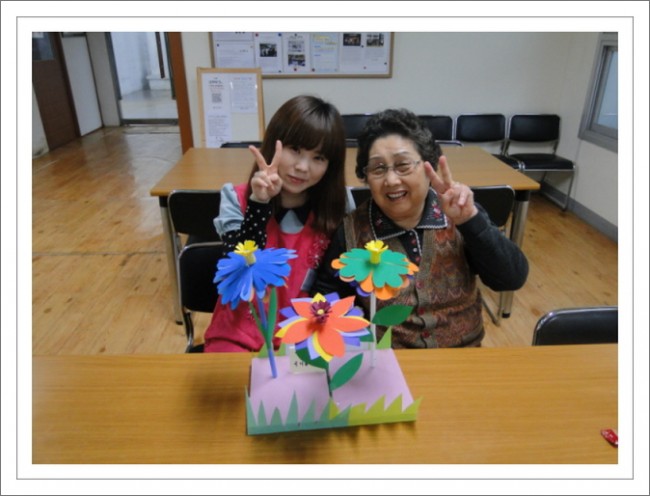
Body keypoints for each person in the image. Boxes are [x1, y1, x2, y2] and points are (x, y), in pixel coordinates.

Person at [310, 108, 529, 348]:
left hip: (464, 354)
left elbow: (511, 278)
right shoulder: (352, 230)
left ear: (428, 167)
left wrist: (471, 221)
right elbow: (327, 296)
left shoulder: (459, 213)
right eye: (378, 168)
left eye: (403, 165)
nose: (391, 180)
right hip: (390, 358)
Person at [203, 95, 348, 352]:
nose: (302, 167)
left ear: (331, 166)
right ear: (274, 144)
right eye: (295, 149)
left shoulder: (338, 206)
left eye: (318, 158)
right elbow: (237, 270)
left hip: (305, 334)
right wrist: (259, 203)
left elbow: (335, 285)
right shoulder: (235, 198)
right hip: (237, 331)